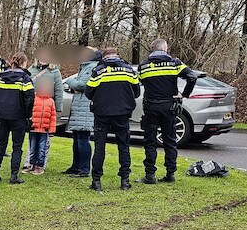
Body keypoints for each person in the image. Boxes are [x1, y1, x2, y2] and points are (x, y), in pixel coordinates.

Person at [137, 38, 199, 183]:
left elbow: (140, 82)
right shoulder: (174, 63)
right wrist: (184, 94)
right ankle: (170, 174)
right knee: (170, 141)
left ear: (152, 49)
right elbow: (192, 77)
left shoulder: (144, 65)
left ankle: (150, 175)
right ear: (165, 48)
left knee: (150, 141)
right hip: (169, 107)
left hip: (151, 106)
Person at [85, 47, 140, 191]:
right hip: (122, 113)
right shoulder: (128, 70)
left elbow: (88, 92)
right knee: (124, 146)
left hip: (102, 113)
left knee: (99, 147)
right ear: (117, 55)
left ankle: (96, 181)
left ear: (104, 56)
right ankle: (125, 181)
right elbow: (137, 91)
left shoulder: (99, 71)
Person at [0, 51, 34, 184]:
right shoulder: (25, 79)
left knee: (0, 146)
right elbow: (30, 98)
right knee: (17, 147)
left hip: (1, 116)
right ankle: (14, 176)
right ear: (24, 63)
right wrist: (27, 115)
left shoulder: (0, 76)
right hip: (18, 117)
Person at [26, 50, 66, 173]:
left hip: (48, 108)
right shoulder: (31, 70)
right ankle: (30, 162)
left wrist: (58, 107)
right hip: (34, 107)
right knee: (32, 139)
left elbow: (59, 91)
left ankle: (40, 164)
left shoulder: (54, 72)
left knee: (44, 140)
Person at [63, 48, 101, 177]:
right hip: (80, 106)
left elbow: (81, 85)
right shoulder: (85, 66)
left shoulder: (92, 67)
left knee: (83, 139)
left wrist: (68, 80)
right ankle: (76, 166)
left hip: (85, 108)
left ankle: (84, 169)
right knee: (76, 138)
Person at [26, 74, 57, 175]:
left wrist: (52, 130)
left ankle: (40, 166)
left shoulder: (51, 101)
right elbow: (29, 112)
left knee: (42, 149)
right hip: (33, 128)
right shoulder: (34, 99)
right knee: (32, 147)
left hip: (44, 130)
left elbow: (53, 117)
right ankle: (31, 164)